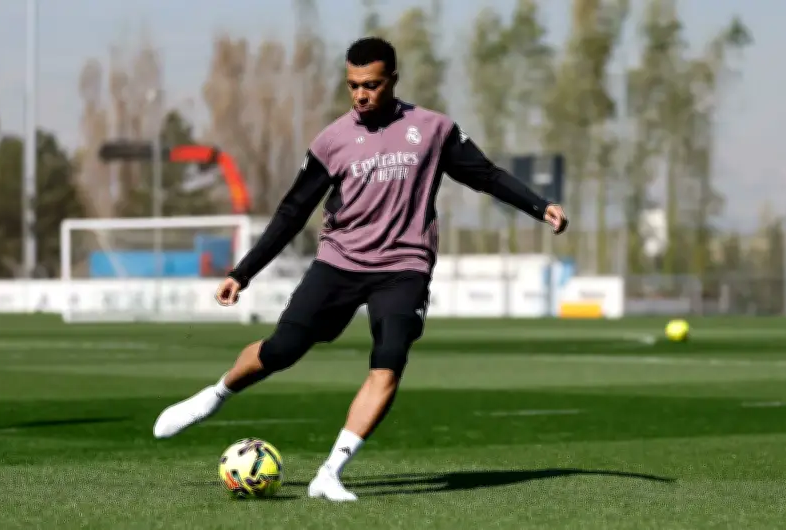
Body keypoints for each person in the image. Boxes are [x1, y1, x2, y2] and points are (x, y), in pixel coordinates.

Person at [152, 36, 568, 502]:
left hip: (404, 265)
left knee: (389, 360)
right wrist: (242, 272)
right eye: (352, 85)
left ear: (392, 79)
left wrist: (540, 205)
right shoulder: (332, 141)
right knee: (284, 350)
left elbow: (485, 175)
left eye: (370, 85)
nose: (360, 95)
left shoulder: (432, 129)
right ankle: (215, 395)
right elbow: (293, 211)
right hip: (339, 261)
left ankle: (330, 473)